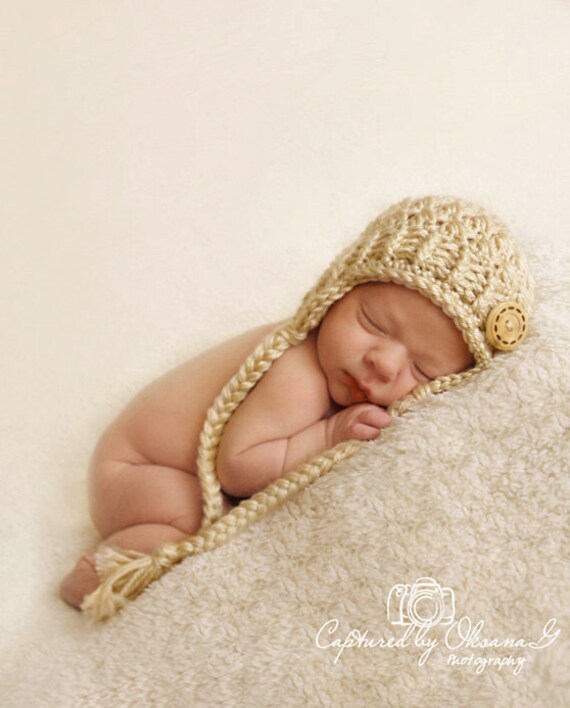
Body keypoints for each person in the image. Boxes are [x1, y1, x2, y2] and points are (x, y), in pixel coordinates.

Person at [59, 195, 533, 620]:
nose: (384, 364)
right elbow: (236, 469)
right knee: (192, 520)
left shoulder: (332, 368)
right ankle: (93, 573)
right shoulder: (298, 374)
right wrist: (327, 436)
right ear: (334, 292)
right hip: (137, 473)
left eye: (422, 370)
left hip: (146, 470)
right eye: (374, 323)